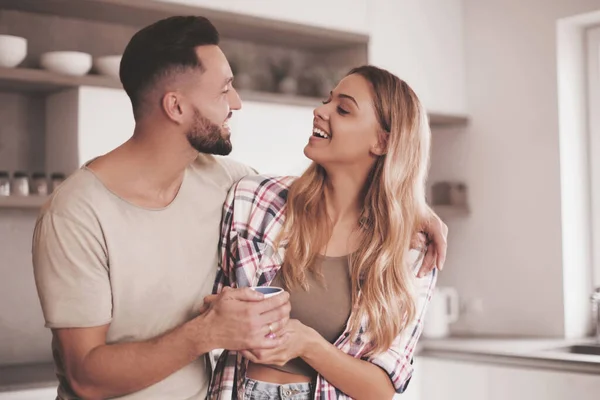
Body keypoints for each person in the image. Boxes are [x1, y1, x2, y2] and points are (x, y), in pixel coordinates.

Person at [31, 15, 447, 400]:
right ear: (176, 106)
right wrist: (207, 333)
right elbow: (85, 376)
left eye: (342, 107)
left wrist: (411, 210)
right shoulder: (76, 213)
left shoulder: (226, 183)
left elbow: (345, 192)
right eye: (224, 89)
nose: (238, 102)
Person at [209, 65, 437, 400]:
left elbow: (382, 389)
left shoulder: (410, 252)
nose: (320, 111)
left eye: (343, 109)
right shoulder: (254, 199)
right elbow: (208, 310)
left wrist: (308, 345)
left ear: (382, 141)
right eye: (326, 101)